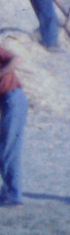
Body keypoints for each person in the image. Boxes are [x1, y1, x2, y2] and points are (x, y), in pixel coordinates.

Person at [0, 40, 25, 206]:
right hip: (6, 101)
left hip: (13, 98)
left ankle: (13, 194)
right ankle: (9, 190)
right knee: (7, 147)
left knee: (7, 148)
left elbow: (17, 59)